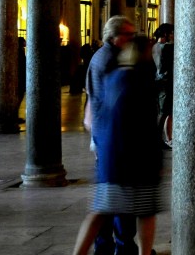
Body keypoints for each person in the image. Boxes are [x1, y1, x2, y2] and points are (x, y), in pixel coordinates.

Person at [73, 36, 163, 255]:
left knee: (101, 211)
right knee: (143, 212)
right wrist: (155, 158)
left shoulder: (114, 76)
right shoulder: (140, 80)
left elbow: (98, 114)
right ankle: (140, 251)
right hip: (134, 159)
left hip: (112, 157)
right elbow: (145, 123)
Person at [85, 15, 140, 255]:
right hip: (113, 135)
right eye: (129, 35)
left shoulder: (100, 56)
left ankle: (106, 245)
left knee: (109, 191)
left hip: (104, 132)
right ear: (116, 37)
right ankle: (122, 246)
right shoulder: (110, 59)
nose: (132, 39)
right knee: (120, 193)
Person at [152, 23, 173, 148]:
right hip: (164, 83)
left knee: (166, 112)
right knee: (163, 112)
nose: (172, 35)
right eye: (170, 33)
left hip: (159, 82)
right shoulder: (166, 48)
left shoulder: (154, 46)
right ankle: (158, 139)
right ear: (165, 34)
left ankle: (166, 138)